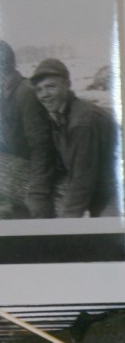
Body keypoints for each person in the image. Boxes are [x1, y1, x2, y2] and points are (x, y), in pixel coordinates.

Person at [29, 58, 118, 218]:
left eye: (50, 87)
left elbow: (82, 183)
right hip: (99, 191)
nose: (44, 95)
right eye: (39, 90)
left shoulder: (82, 122)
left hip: (114, 196)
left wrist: (66, 224)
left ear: (67, 85)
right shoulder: (61, 115)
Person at [0, 40, 55, 219]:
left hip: (36, 180)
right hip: (16, 175)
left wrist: (38, 193)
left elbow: (42, 147)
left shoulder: (26, 94)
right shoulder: (5, 92)